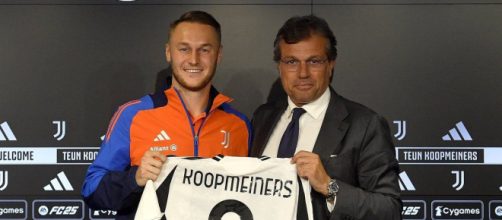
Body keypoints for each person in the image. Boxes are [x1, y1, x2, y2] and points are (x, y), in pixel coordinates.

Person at [82, 11, 251, 219]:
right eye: (184, 49)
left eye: (204, 50)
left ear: (219, 54)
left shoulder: (239, 125)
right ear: (169, 52)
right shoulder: (133, 115)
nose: (194, 59)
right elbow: (92, 190)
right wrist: (136, 178)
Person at [250, 15, 401, 219]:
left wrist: (328, 186)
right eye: (292, 61)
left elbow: (389, 209)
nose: (303, 73)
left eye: (314, 61)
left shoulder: (365, 125)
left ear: (330, 64)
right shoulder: (263, 118)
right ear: (280, 66)